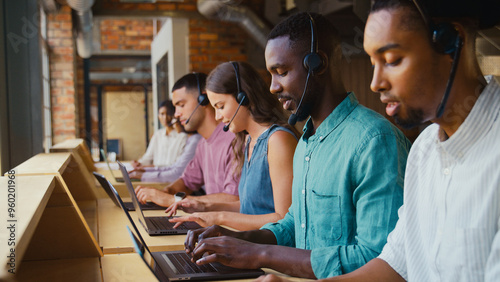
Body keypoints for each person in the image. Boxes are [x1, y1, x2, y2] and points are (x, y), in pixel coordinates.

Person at [257, 1, 500, 281]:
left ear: (450, 41)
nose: (375, 83)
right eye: (373, 62)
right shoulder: (424, 150)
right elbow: (393, 265)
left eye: (392, 59)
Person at [182, 12, 411, 279]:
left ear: (317, 64)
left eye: (281, 73)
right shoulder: (306, 141)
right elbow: (294, 224)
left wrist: (259, 254)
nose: (272, 88)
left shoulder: (374, 141)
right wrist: (237, 239)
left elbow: (378, 259)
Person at [166, 61, 299, 231]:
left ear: (243, 97)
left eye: (220, 107)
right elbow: (248, 207)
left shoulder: (278, 140)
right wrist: (203, 207)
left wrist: (219, 217)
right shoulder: (249, 140)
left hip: (271, 251)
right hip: (249, 245)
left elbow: (284, 219)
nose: (217, 116)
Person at [135, 73, 240, 207]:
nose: (176, 114)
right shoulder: (203, 144)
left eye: (181, 105)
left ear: (204, 99)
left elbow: (234, 199)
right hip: (211, 222)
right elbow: (187, 181)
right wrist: (165, 192)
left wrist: (171, 200)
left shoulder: (234, 139)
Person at [129, 100, 202, 183]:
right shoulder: (158, 134)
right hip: (159, 177)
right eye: (162, 114)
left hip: (168, 179)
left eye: (169, 114)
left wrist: (146, 171)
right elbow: (149, 158)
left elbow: (175, 169)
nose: (165, 118)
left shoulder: (186, 137)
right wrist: (139, 165)